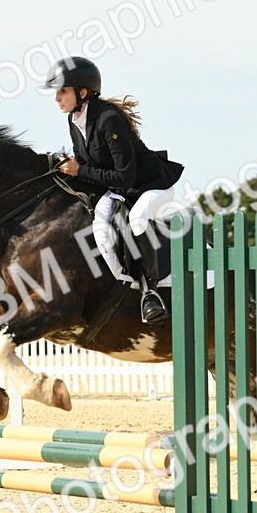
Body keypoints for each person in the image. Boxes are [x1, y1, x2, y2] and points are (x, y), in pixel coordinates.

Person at [44, 56, 184, 324]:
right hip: (120, 189)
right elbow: (85, 164)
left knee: (137, 220)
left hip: (150, 186)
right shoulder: (74, 119)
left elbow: (124, 176)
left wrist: (79, 170)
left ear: (82, 92)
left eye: (62, 91)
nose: (57, 98)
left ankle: (149, 292)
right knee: (99, 227)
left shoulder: (109, 119)